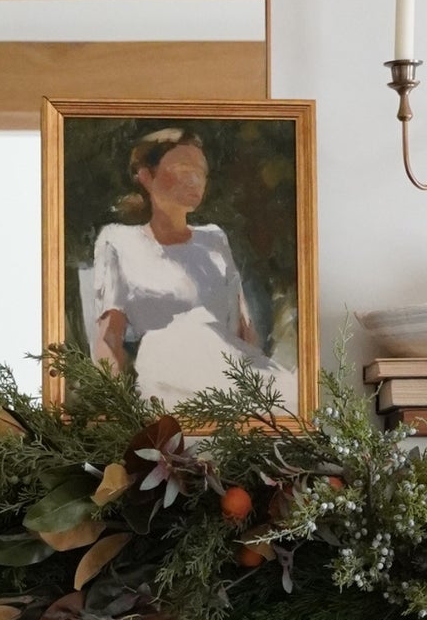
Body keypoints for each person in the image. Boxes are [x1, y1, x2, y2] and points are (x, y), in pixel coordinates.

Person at [87, 126, 295, 410]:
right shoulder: (118, 242)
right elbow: (110, 339)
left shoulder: (214, 239)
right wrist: (110, 408)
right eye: (184, 168)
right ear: (146, 176)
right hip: (165, 377)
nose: (195, 178)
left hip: (228, 370)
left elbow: (243, 330)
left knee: (291, 401)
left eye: (202, 171)